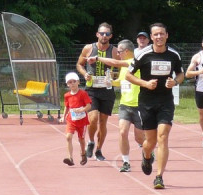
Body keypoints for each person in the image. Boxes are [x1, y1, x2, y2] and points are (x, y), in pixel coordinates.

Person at [124, 23, 184, 189]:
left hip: (165, 101)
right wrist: (145, 83)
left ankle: (159, 177)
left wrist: (175, 82)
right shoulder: (143, 54)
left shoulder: (173, 55)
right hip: (146, 102)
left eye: (162, 34)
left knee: (163, 137)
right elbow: (128, 75)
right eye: (156, 34)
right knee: (149, 142)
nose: (159, 37)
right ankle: (146, 154)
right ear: (151, 37)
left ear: (167, 35)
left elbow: (180, 74)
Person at [76, 22, 129, 162]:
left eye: (107, 34)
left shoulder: (114, 51)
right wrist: (84, 74)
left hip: (107, 90)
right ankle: (91, 141)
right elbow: (79, 64)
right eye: (102, 33)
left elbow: (124, 66)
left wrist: (115, 76)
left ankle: (99, 149)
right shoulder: (88, 48)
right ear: (97, 34)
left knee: (103, 121)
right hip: (91, 89)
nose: (104, 36)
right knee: (92, 119)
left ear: (110, 36)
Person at [115, 39, 145, 173]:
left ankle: (148, 153)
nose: (118, 54)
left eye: (119, 52)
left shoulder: (135, 63)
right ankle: (126, 162)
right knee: (122, 132)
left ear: (127, 51)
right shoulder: (123, 67)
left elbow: (114, 62)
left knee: (139, 137)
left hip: (138, 105)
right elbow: (121, 82)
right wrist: (111, 82)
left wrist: (97, 58)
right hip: (125, 105)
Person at [62, 72, 91, 166]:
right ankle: (70, 158)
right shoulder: (67, 95)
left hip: (82, 120)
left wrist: (82, 109)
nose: (72, 83)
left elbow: (88, 106)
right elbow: (66, 106)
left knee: (81, 139)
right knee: (68, 137)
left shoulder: (83, 94)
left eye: (74, 81)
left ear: (78, 82)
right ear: (67, 84)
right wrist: (63, 116)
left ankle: (83, 153)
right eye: (70, 82)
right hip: (71, 119)